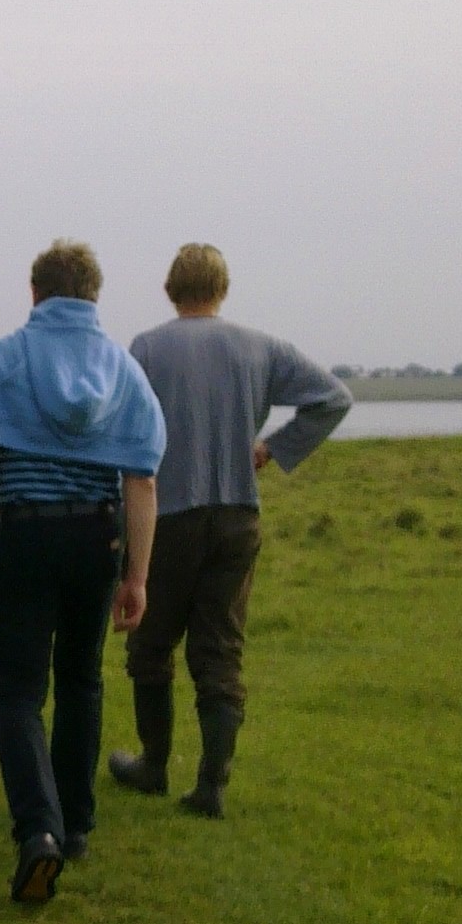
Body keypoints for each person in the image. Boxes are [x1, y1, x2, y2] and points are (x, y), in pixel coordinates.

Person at [0, 242, 165, 904]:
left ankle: (37, 831)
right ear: (92, 298)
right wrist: (137, 575)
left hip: (24, 537)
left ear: (35, 294)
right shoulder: (125, 373)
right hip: (95, 537)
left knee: (17, 693)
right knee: (80, 681)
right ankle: (76, 828)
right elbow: (143, 481)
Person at [109, 243, 350, 819]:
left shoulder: (146, 347)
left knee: (151, 644)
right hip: (239, 515)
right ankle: (212, 785)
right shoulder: (262, 348)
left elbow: (118, 428)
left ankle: (153, 765)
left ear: (172, 288)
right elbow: (334, 398)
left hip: (167, 516)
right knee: (220, 651)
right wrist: (273, 447)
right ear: (223, 289)